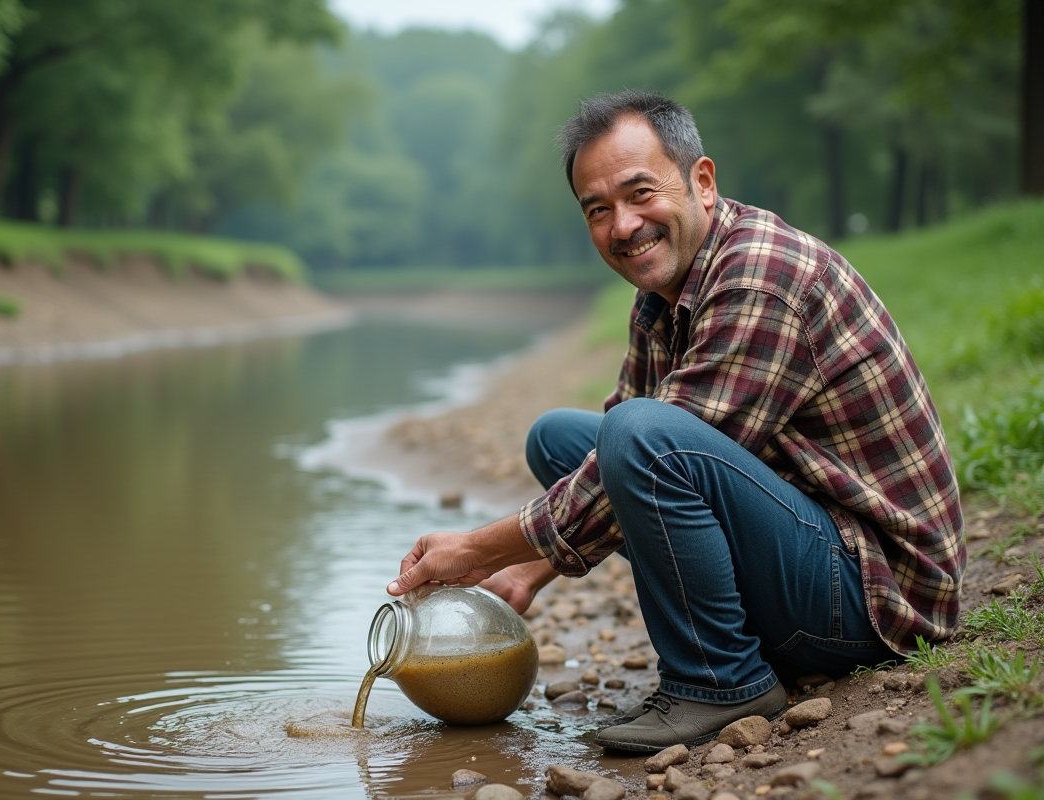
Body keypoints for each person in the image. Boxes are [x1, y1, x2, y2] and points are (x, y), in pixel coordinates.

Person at [386, 90, 965, 754]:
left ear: (703, 182)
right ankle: (735, 654)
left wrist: (480, 548)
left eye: (640, 194)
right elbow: (614, 459)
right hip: (811, 547)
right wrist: (527, 572)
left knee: (639, 433)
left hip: (876, 598)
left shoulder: (759, 278)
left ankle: (721, 682)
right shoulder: (664, 291)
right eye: (598, 210)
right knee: (563, 438)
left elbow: (651, 444)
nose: (623, 226)